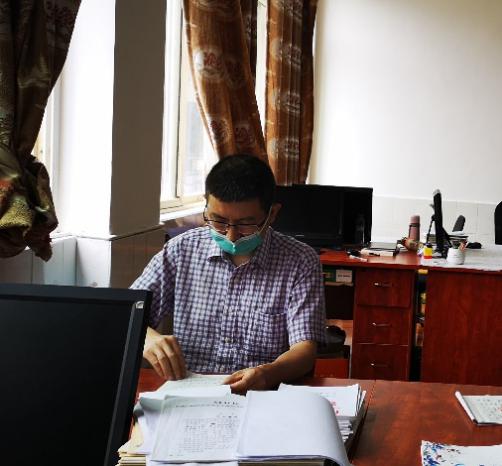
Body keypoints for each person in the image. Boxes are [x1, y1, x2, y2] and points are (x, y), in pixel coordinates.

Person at [131, 154, 326, 393]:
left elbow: (305, 350)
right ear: (206, 206)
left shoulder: (300, 261)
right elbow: (127, 314)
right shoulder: (181, 251)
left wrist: (268, 373)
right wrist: (147, 338)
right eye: (219, 221)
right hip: (187, 392)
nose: (231, 236)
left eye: (246, 224)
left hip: (261, 393)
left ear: (272, 214)